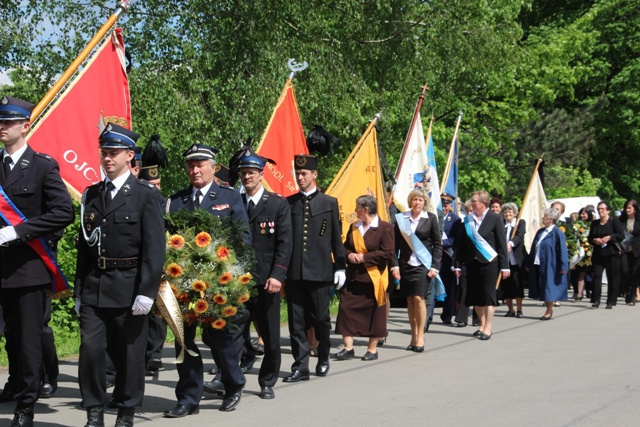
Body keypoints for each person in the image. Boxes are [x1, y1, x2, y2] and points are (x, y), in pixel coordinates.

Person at [75, 123, 166, 427]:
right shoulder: (92, 194)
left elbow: (155, 248)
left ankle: (126, 412)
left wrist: (147, 291)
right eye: (104, 153)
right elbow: (84, 248)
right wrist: (78, 292)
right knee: (90, 350)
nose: (108, 158)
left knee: (130, 355)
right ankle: (94, 412)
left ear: (129, 156)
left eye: (114, 153)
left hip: (129, 287)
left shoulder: (144, 195)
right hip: (95, 287)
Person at [0, 95, 74, 427]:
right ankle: (14, 384)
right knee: (9, 338)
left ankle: (26, 405)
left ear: (25, 126)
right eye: (0, 122)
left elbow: (63, 212)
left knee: (28, 340)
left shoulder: (43, 165)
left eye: (8, 122)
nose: (2, 127)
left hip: (27, 270)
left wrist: (18, 233)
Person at [165, 143, 248, 416]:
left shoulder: (229, 197)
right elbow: (166, 242)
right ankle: (189, 397)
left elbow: (241, 239)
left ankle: (233, 384)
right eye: (191, 165)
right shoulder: (176, 201)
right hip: (184, 284)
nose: (195, 169)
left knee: (219, 337)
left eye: (201, 164)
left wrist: (237, 278)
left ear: (214, 167)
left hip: (217, 282)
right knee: (183, 339)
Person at [234, 147, 292, 399]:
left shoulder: (277, 204)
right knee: (232, 332)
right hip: (237, 282)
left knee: (269, 335)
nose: (247, 177)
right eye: (243, 173)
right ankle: (230, 378)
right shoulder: (233, 203)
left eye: (251, 173)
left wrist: (278, 275)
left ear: (261, 175)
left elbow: (284, 243)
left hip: (266, 280)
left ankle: (267, 380)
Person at [284, 154, 346, 382]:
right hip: (294, 273)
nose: (300, 178)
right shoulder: (288, 203)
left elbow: (335, 238)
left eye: (304, 174)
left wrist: (340, 266)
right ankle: (300, 365)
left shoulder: (329, 203)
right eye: (297, 174)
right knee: (296, 321)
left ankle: (323, 357)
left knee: (320, 319)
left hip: (320, 272)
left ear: (314, 175)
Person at [335, 195, 394, 361]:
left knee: (375, 312)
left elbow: (388, 252)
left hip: (374, 278)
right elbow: (344, 248)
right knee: (346, 308)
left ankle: (372, 349)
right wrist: (351, 254)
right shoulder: (354, 227)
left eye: (357, 208)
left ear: (366, 210)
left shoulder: (385, 228)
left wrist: (364, 258)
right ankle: (348, 347)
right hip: (353, 277)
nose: (355, 211)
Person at [454, 191, 509, 341]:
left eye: (474, 201)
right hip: (472, 263)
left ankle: (488, 328)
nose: (472, 203)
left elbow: (501, 243)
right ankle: (481, 324)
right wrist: (457, 264)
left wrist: (505, 266)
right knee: (475, 296)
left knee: (488, 295)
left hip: (490, 262)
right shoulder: (467, 220)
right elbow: (461, 245)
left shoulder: (495, 218)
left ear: (483, 203)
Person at [391, 189, 442, 352]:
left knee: (419, 298)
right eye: (414, 199)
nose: (417, 202)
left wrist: (435, 266)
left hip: (424, 266)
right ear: (410, 201)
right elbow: (395, 245)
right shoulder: (402, 219)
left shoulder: (431, 218)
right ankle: (413, 335)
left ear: (424, 202)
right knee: (410, 300)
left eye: (420, 200)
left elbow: (437, 244)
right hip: (406, 265)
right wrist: (395, 265)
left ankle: (421, 335)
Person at [526, 208, 569, 320]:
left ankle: (548, 310)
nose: (543, 219)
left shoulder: (557, 233)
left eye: (544, 217)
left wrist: (564, 265)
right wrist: (529, 262)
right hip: (538, 262)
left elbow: (562, 250)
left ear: (551, 219)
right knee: (541, 286)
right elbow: (533, 247)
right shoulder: (540, 232)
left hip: (551, 263)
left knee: (548, 287)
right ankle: (548, 307)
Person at [588, 201, 624, 309]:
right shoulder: (595, 223)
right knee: (597, 275)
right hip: (598, 253)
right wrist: (595, 240)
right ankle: (596, 300)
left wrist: (609, 237)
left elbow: (621, 235)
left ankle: (611, 301)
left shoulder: (614, 221)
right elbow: (590, 238)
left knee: (612, 277)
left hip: (611, 253)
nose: (600, 211)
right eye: (599, 209)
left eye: (602, 209)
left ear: (608, 210)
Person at [439, 194, 462, 325]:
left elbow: (455, 239)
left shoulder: (455, 220)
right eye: (442, 204)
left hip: (448, 258)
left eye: (446, 205)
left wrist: (441, 243)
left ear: (450, 205)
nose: (444, 207)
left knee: (449, 289)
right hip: (434, 258)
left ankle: (447, 314)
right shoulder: (434, 217)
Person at [501, 203, 526, 318]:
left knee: (517, 284)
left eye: (510, 212)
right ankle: (510, 309)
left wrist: (510, 243)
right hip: (505, 261)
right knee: (506, 286)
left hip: (516, 260)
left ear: (515, 213)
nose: (508, 214)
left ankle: (519, 309)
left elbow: (519, 236)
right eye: (505, 212)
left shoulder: (520, 223)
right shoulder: (501, 224)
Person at [618, 199, 640, 305]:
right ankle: (627, 290)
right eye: (626, 207)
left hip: (637, 250)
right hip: (625, 250)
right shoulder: (621, 221)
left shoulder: (639, 220)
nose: (627, 210)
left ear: (635, 209)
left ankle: (632, 294)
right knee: (625, 270)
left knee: (635, 273)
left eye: (629, 208)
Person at [572, 208, 594, 301]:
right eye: (581, 214)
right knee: (581, 273)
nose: (582, 216)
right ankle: (579, 293)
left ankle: (594, 292)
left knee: (593, 274)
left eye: (584, 214)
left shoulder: (593, 225)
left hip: (591, 252)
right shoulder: (576, 225)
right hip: (580, 252)